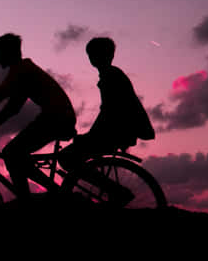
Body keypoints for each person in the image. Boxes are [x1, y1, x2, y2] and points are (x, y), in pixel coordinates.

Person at [0, 33, 77, 200]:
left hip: (55, 118)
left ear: (8, 53)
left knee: (11, 153)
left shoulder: (20, 70)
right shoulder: (24, 71)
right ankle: (38, 196)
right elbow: (12, 108)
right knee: (15, 154)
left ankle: (31, 199)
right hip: (58, 117)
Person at [59, 37, 155, 172]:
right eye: (91, 54)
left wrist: (90, 135)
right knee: (72, 155)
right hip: (119, 131)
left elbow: (110, 111)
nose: (92, 58)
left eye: (94, 54)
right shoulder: (111, 74)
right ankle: (98, 184)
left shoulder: (110, 76)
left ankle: (102, 185)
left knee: (66, 157)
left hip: (117, 131)